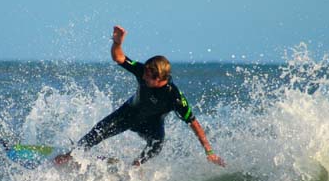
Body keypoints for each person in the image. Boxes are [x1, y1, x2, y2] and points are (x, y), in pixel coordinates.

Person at [55, 25, 225, 167]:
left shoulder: (174, 97)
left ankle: (133, 168)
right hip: (128, 113)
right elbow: (119, 58)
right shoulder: (144, 70)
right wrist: (117, 43)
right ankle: (69, 157)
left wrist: (209, 152)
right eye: (144, 73)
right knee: (97, 132)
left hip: (152, 124)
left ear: (160, 79)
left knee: (156, 146)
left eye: (148, 77)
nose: (143, 77)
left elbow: (194, 123)